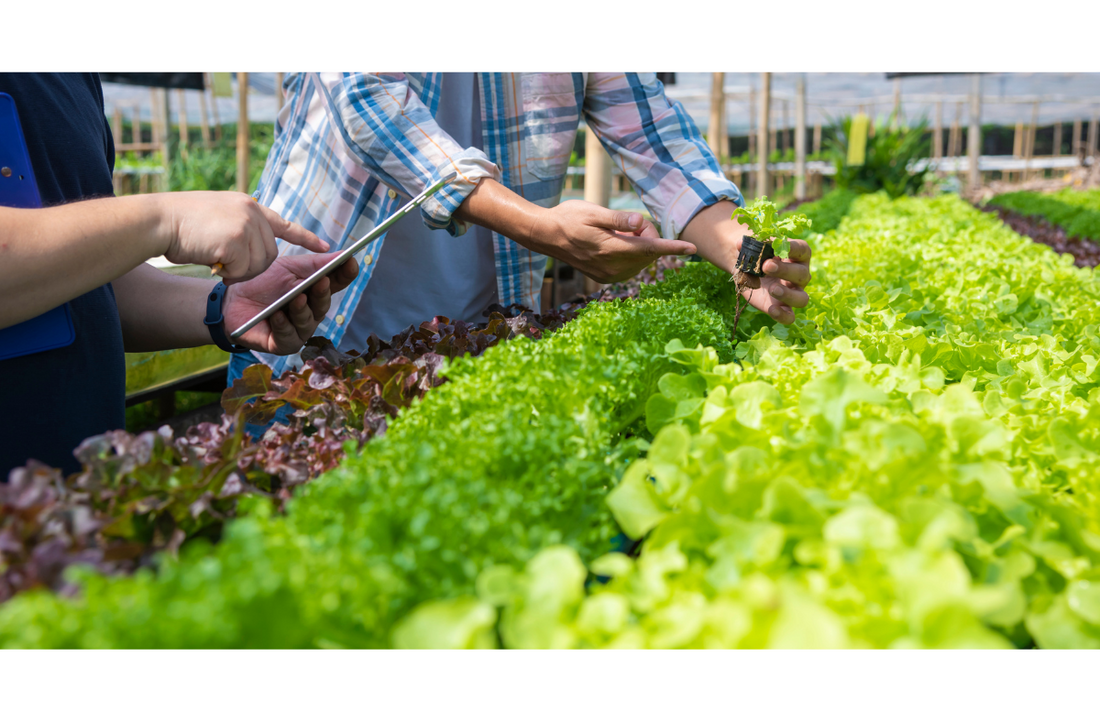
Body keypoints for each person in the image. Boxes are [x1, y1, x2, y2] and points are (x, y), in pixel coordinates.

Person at [232, 73, 812, 397]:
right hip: (308, 317)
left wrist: (742, 251)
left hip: (474, 339)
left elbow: (657, 141)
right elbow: (369, 103)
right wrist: (543, 229)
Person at [0, 73, 359, 478]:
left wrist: (225, 307)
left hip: (82, 492)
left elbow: (88, 282)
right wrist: (165, 220)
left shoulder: (71, 76)